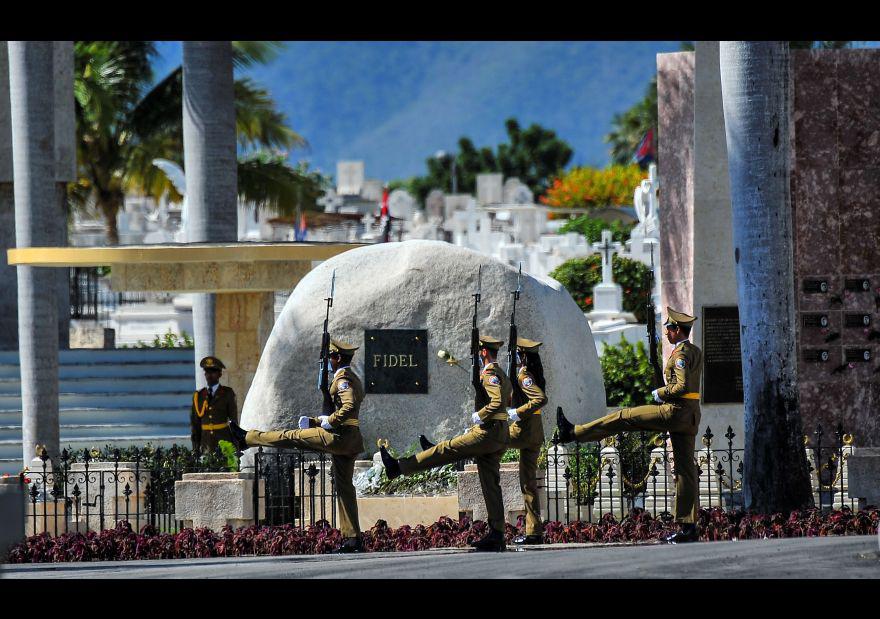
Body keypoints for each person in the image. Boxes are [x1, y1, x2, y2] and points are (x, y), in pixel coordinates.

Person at [556, 308, 704, 544]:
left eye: (668, 328)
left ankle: (575, 432)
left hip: (674, 412)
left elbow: (681, 387)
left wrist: (661, 392)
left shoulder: (680, 355)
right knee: (685, 471)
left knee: (624, 416)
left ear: (677, 330)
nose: (666, 332)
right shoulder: (694, 351)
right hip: (690, 416)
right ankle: (688, 526)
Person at [228, 340, 366, 553]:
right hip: (350, 439)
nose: (328, 362)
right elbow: (346, 411)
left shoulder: (343, 379)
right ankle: (352, 539)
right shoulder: (353, 377)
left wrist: (330, 422)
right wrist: (316, 421)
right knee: (345, 488)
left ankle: (247, 438)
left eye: (330, 357)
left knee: (290, 436)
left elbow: (348, 406)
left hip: (338, 437)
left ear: (337, 358)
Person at [381, 335, 512, 552]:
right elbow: (508, 401)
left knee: (446, 448)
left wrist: (481, 414)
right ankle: (497, 534)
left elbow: (498, 401)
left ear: (483, 353)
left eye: (478, 353)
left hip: (487, 433)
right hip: (500, 434)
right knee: (490, 483)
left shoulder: (490, 373)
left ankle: (399, 466)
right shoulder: (502, 374)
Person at [507, 337, 548, 545]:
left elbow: (540, 399)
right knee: (528, 484)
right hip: (535, 434)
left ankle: (454, 448)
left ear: (522, 355)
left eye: (516, 353)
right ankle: (534, 531)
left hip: (522, 432)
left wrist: (517, 413)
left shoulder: (524, 375)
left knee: (484, 440)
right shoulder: (533, 374)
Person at [190, 356, 238, 455]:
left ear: (219, 374)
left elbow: (233, 420)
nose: (210, 375)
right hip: (205, 442)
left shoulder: (227, 393)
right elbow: (195, 424)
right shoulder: (198, 396)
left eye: (213, 372)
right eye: (207, 372)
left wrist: (235, 444)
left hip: (223, 439)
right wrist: (195, 447)